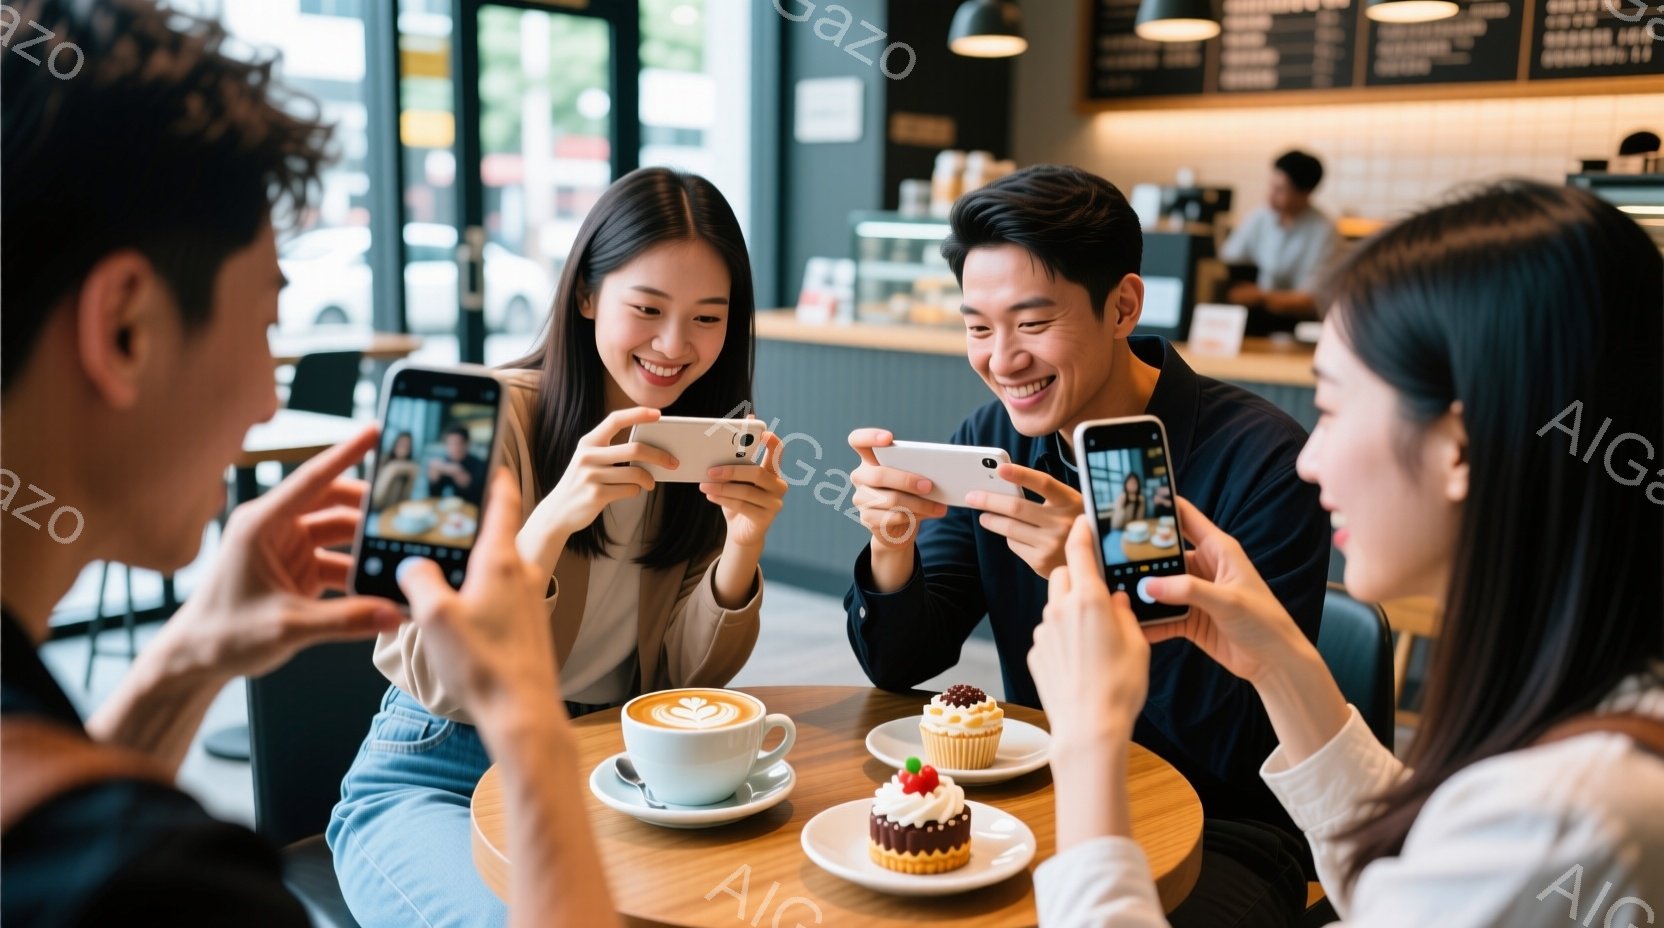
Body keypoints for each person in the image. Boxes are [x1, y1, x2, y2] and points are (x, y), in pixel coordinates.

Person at [0, 2, 618, 926]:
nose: (264, 395)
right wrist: (526, 717)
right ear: (125, 327)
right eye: (263, 322)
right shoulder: (168, 885)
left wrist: (188, 657)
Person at [1029, 180, 1664, 927]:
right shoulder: (1594, 729)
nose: (1309, 460)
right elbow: (1414, 878)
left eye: (1329, 408)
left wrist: (1086, 742)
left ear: (1456, 446)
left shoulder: (1559, 816)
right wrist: (1279, 662)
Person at [844, 164, 1330, 926]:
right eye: (979, 326)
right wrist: (892, 545)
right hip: (1047, 792)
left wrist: (1106, 578)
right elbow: (904, 661)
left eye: (1033, 324)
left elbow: (1233, 740)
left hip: (1224, 831)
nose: (1002, 361)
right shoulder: (996, 440)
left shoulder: (1260, 460)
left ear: (1122, 306)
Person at [330, 166, 788, 928]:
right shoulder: (458, 417)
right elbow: (422, 663)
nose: (675, 345)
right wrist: (551, 521)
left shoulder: (704, 441)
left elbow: (683, 680)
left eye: (708, 318)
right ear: (585, 296)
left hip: (609, 770)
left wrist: (741, 548)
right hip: (437, 769)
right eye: (647, 308)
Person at [1219, 150, 1341, 334]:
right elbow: (1226, 261)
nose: (1270, 195)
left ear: (1306, 192)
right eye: (1271, 186)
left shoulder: (1325, 233)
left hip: (1296, 326)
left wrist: (1259, 296)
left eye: (1280, 190)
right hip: (1253, 319)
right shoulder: (1259, 218)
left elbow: (1309, 301)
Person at [427, 423, 486, 505]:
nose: (454, 448)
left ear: (467, 444)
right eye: (450, 444)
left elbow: (477, 494)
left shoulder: (479, 465)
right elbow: (434, 496)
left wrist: (458, 472)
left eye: (458, 444)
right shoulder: (446, 462)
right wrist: (434, 481)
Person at [371, 431, 418, 510]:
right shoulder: (383, 461)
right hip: (376, 510)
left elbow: (405, 500)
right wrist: (392, 469)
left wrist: (411, 478)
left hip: (394, 511)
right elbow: (376, 499)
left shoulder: (409, 468)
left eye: (407, 446)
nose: (403, 448)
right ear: (395, 444)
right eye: (401, 444)